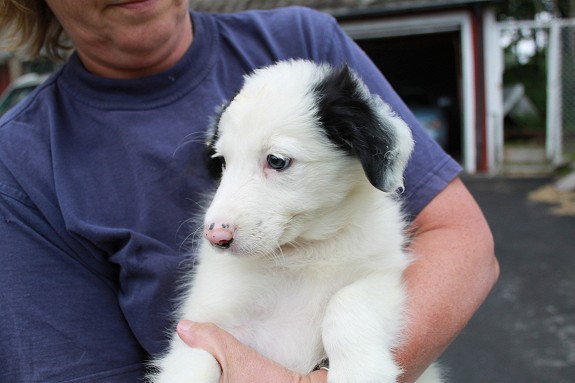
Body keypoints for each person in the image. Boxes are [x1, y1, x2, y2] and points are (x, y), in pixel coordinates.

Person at [0, 1, 499, 382]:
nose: (214, 227)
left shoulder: (306, 43)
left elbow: (458, 238)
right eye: (221, 163)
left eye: (277, 162)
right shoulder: (21, 164)